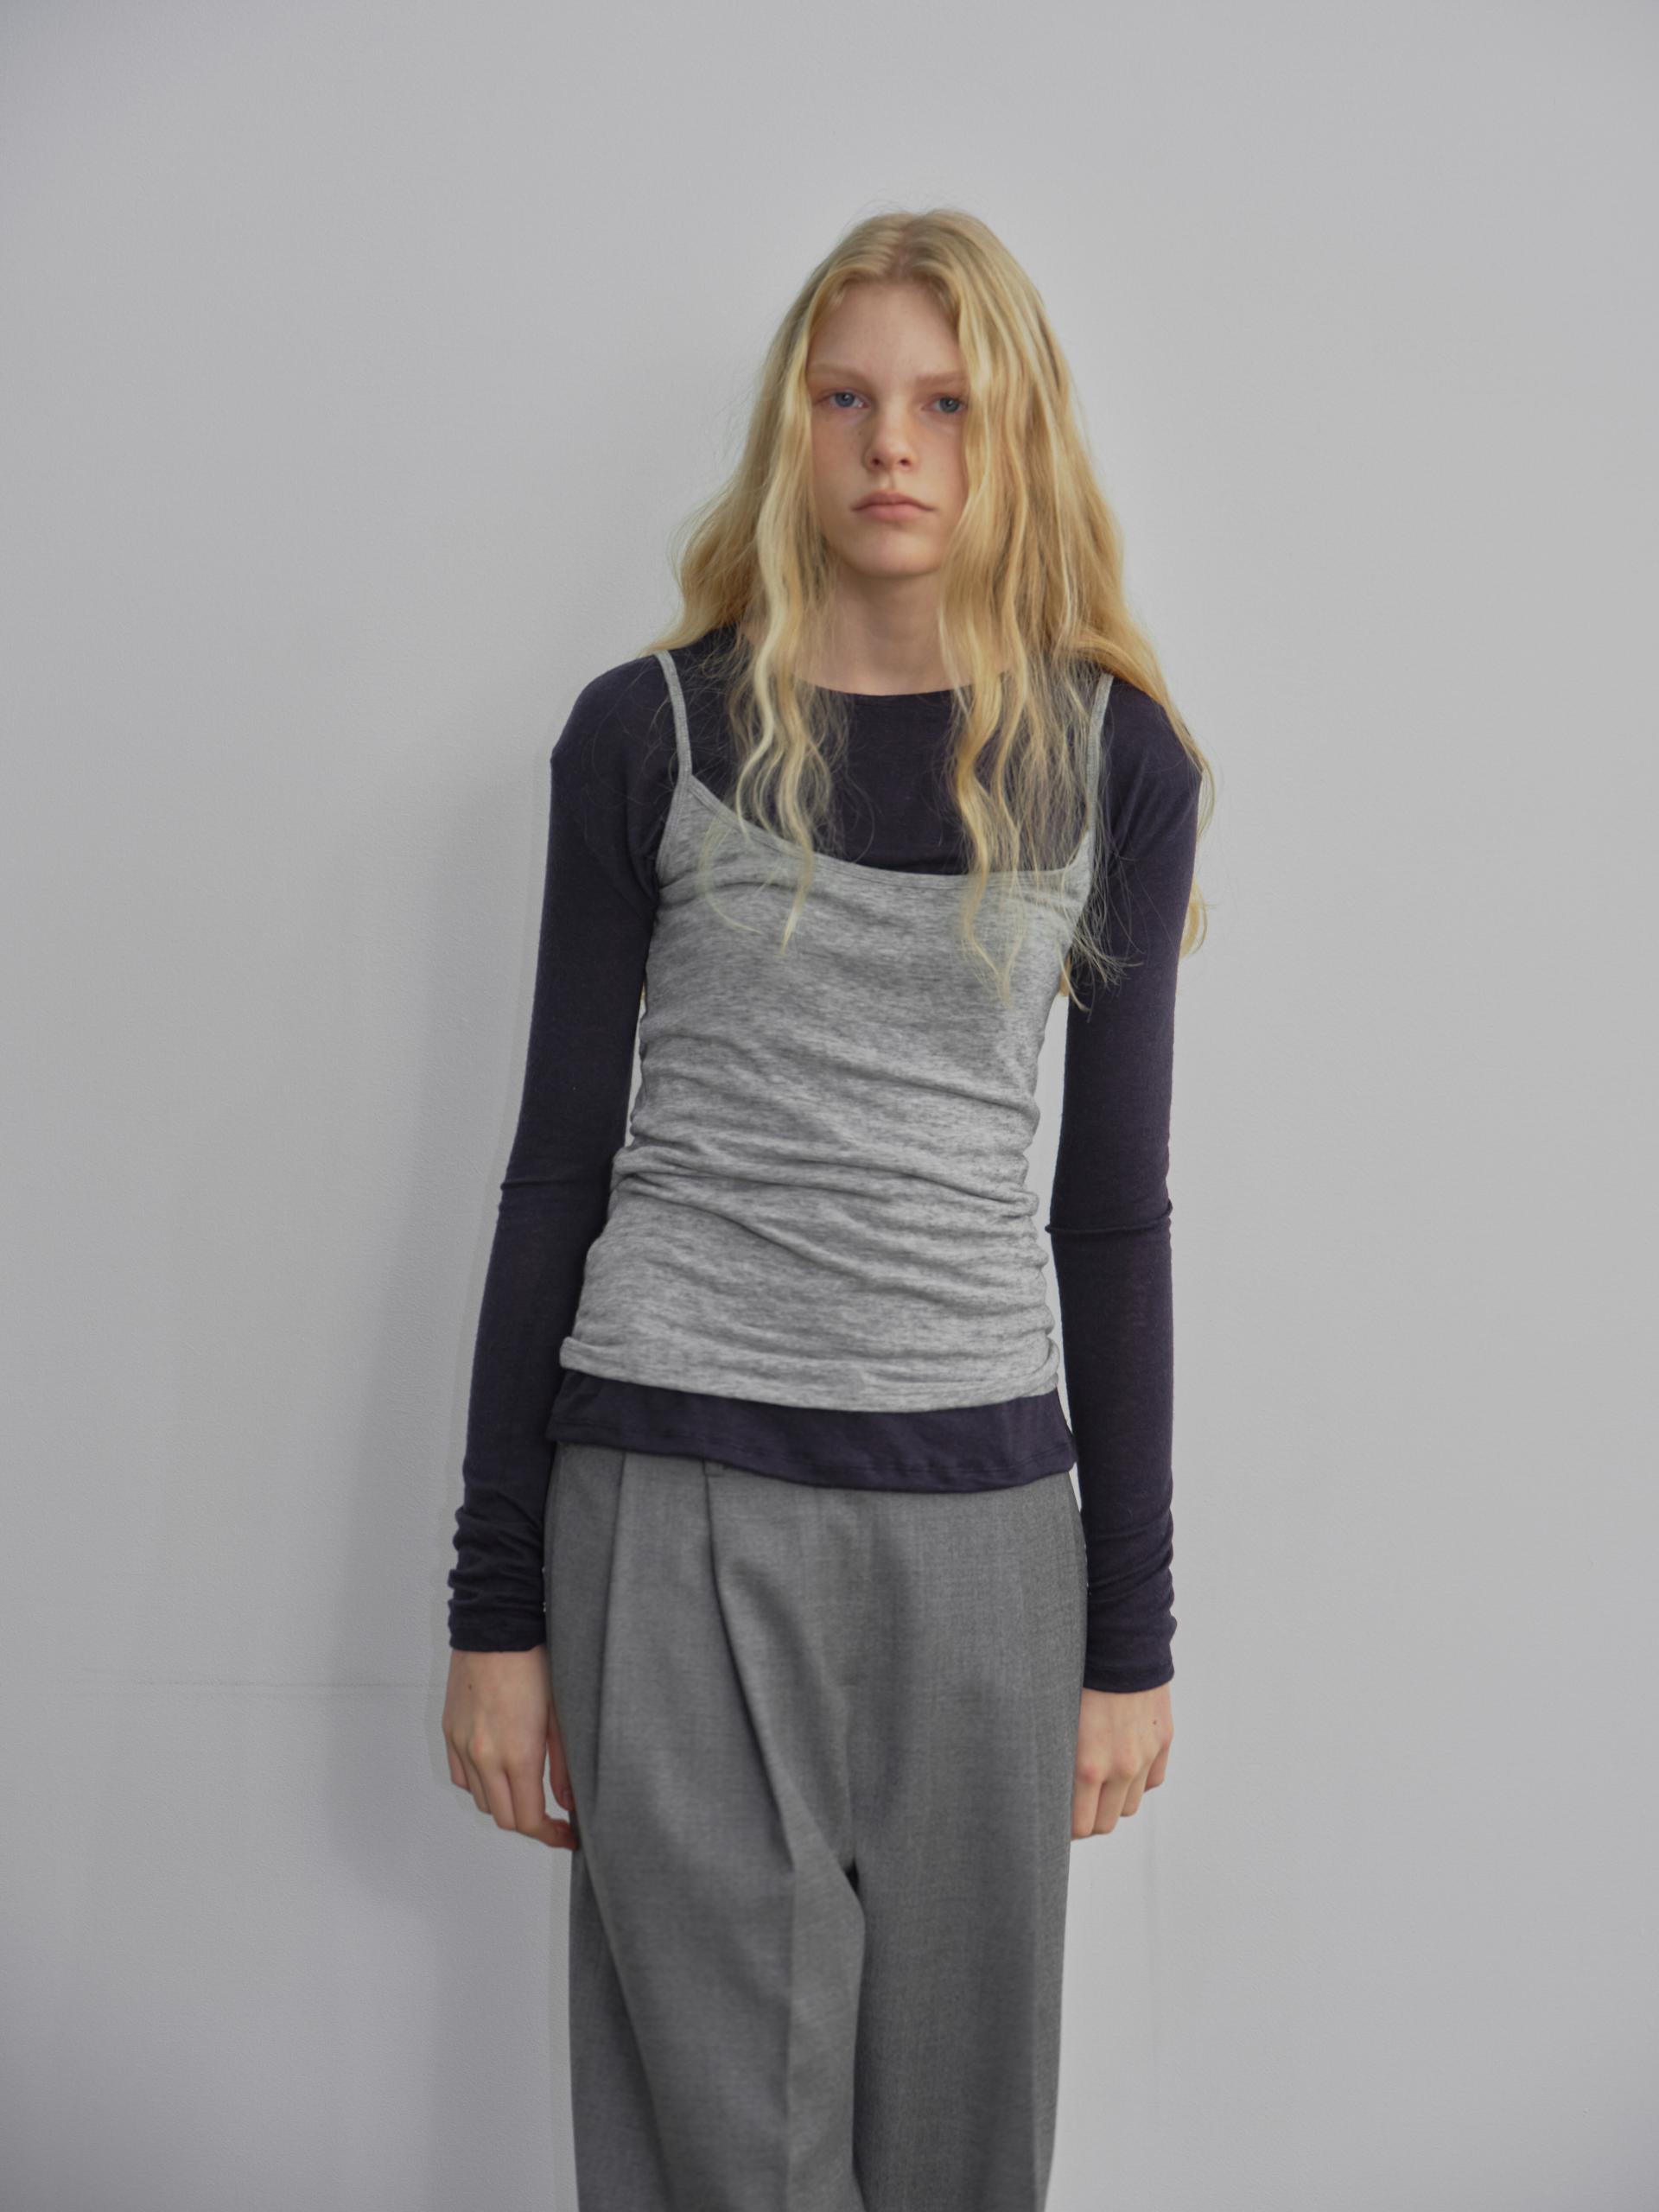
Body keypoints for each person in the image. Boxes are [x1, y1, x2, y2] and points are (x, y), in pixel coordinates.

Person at [441, 206, 1211, 2212]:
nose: (893, 446)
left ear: (1013, 433)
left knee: (962, 2149)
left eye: (946, 404)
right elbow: (558, 1160)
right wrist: (493, 1605)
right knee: (722, 2153)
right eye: (848, 398)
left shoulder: (1117, 760)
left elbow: (1111, 1217)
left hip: (981, 1527)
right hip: (669, 1491)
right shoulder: (653, 734)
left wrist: (1129, 1634)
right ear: (792, 428)